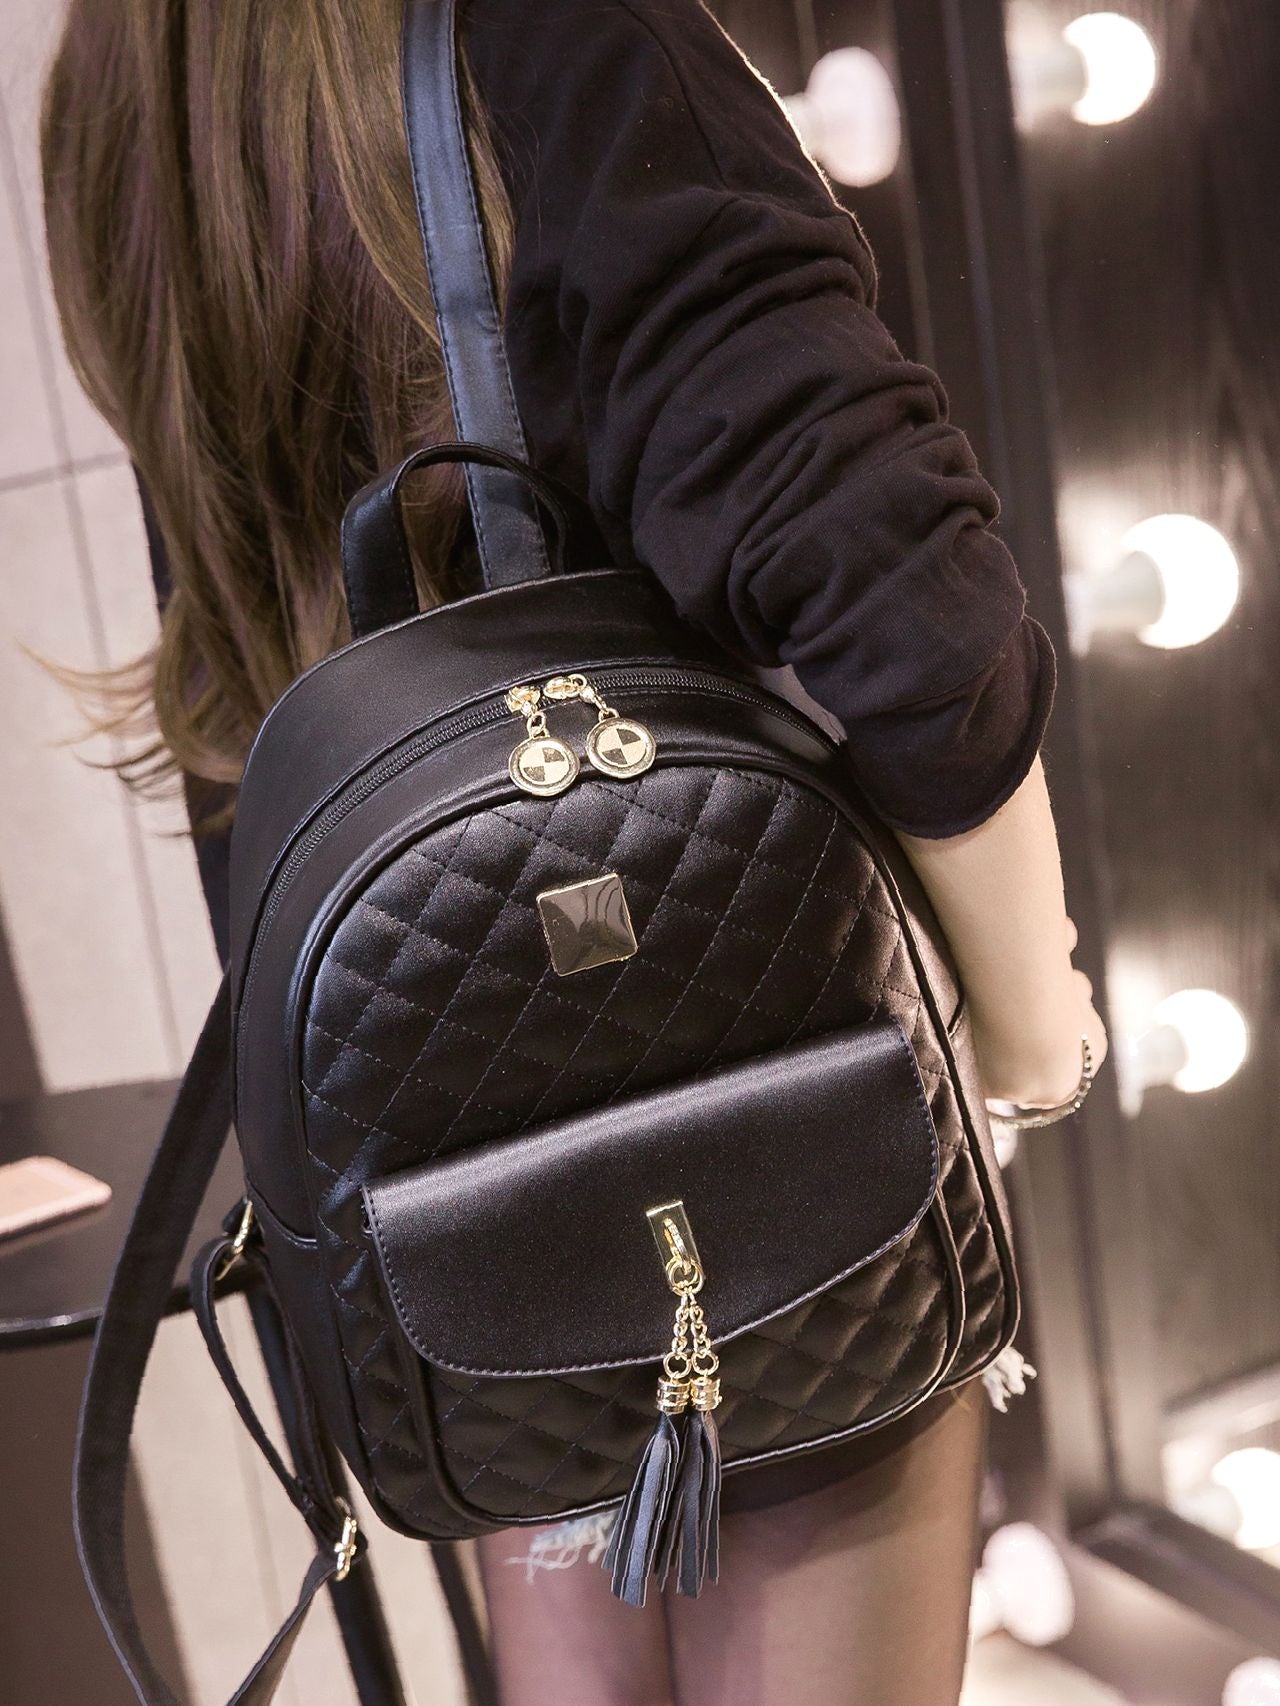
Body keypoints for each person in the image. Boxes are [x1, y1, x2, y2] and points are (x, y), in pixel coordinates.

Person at [41, 1, 1107, 1701]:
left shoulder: (138, 70)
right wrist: (1035, 1040)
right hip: (760, 1052)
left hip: (449, 1156)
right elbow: (902, 604)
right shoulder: (567, 28)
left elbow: (252, 698)